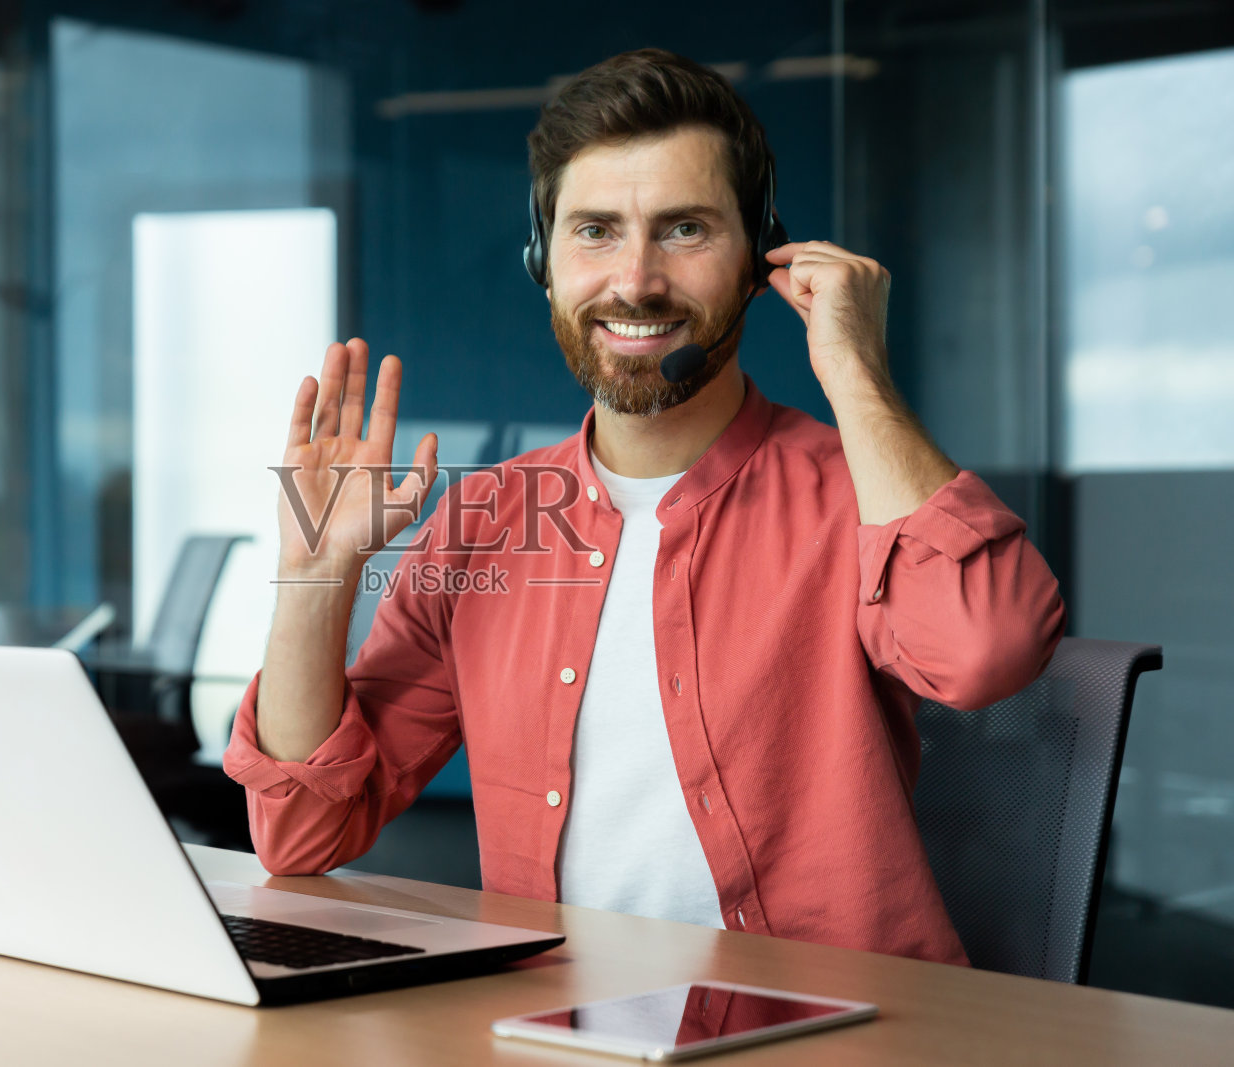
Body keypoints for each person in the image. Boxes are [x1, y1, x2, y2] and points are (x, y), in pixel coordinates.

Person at [221, 48, 1066, 966]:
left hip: (833, 1029)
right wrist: (316, 573)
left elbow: (988, 652)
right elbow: (303, 835)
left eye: (686, 229)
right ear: (544, 261)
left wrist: (852, 368)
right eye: (595, 231)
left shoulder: (856, 495)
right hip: (559, 1024)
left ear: (758, 260)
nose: (635, 280)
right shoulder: (490, 522)